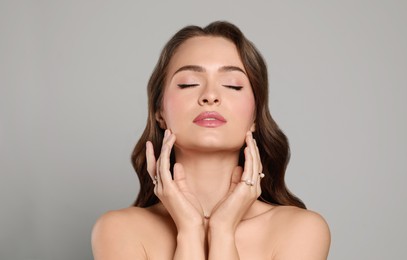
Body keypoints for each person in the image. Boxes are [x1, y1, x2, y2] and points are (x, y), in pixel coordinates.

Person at [91, 21, 330, 259]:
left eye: (232, 86)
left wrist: (222, 230)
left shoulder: (300, 230)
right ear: (159, 112)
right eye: (188, 84)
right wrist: (189, 230)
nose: (210, 96)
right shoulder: (119, 230)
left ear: (256, 115)